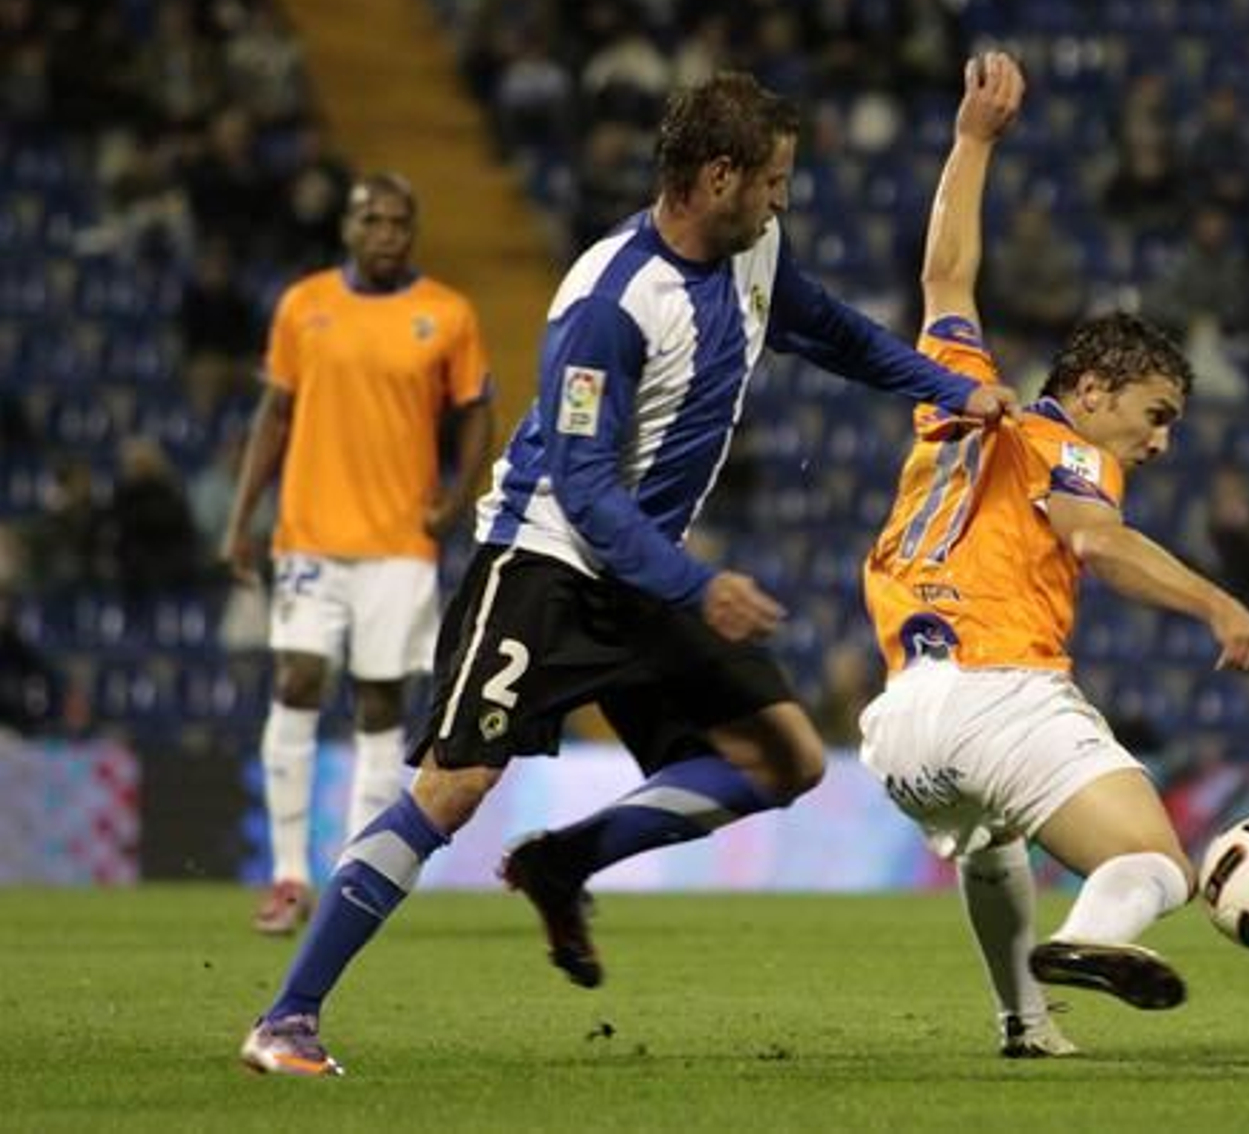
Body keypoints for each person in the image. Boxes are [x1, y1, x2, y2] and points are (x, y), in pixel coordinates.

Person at [239, 70, 1016, 1076]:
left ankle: (565, 861)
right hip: (546, 563)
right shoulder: (609, 303)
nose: (783, 199)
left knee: (783, 759)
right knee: (453, 787)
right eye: (772, 180)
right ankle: (287, 1018)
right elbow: (583, 488)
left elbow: (833, 332)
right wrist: (698, 586)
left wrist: (951, 389)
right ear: (718, 176)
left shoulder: (755, 250)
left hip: (642, 570)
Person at [856, 53, 1249, 1060]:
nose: (1159, 441)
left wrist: (971, 141)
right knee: (1155, 865)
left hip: (902, 726)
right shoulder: (1068, 447)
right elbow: (1095, 539)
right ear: (1091, 389)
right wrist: (1218, 604)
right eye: (1155, 414)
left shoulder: (957, 392)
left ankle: (1023, 1022)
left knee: (990, 839)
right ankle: (1092, 939)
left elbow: (945, 275)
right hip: (999, 688)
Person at [221, 173, 494, 937]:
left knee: (380, 702)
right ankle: (287, 875)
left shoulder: (446, 313)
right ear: (347, 227)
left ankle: (353, 873)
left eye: (399, 222)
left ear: (414, 231)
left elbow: (478, 410)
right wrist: (241, 517)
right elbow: (274, 414)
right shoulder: (303, 305)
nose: (385, 234)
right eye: (372, 220)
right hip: (308, 535)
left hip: (399, 542)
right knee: (298, 677)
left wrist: (455, 499)